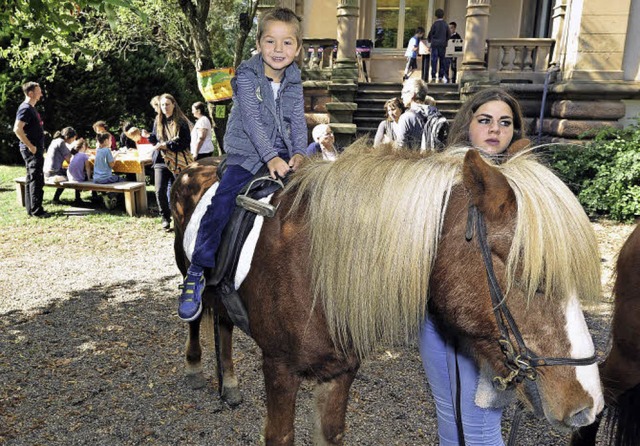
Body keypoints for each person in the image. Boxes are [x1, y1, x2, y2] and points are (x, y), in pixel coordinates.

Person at [177, 7, 307, 322]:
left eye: (287, 43)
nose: (279, 50)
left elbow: (297, 119)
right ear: (259, 43)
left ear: (298, 49)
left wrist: (300, 152)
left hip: (283, 152)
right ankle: (197, 270)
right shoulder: (246, 76)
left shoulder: (294, 77)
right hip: (247, 154)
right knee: (222, 202)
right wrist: (270, 157)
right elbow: (251, 121)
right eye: (271, 42)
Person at [420, 87, 526, 446]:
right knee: (457, 417)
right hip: (446, 322)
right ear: (468, 125)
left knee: (480, 421)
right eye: (485, 120)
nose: (495, 129)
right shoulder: (444, 179)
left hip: (503, 322)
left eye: (505, 122)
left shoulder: (523, 181)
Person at [148, 93, 192, 231]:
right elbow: (155, 138)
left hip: (177, 161)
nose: (165, 107)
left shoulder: (181, 121)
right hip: (161, 160)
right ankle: (165, 218)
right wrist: (150, 138)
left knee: (178, 191)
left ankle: (180, 218)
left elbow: (185, 142)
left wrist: (166, 145)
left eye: (167, 104)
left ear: (173, 104)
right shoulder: (158, 120)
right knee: (159, 190)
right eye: (162, 105)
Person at [13, 81, 49, 218]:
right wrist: (31, 146)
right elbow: (17, 129)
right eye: (38, 91)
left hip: (35, 149)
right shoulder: (25, 108)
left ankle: (32, 209)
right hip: (31, 150)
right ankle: (36, 211)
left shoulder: (31, 108)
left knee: (32, 178)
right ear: (30, 93)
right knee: (36, 179)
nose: (41, 93)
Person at [396, 78, 445, 150]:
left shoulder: (406, 117)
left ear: (412, 94)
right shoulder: (435, 113)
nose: (401, 97)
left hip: (413, 160)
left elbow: (400, 148)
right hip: (433, 159)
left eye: (403, 93)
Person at [43, 126, 79, 203]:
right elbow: (69, 160)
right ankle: (77, 198)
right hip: (54, 172)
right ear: (68, 137)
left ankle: (56, 198)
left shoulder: (55, 140)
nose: (74, 140)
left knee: (71, 172)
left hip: (46, 170)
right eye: (73, 138)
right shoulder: (61, 142)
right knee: (76, 173)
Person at [427, 9, 450, 83]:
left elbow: (430, 34)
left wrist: (430, 40)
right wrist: (445, 40)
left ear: (436, 15)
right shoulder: (445, 24)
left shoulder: (434, 24)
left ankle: (433, 76)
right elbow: (449, 35)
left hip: (435, 44)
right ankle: (441, 76)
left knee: (434, 60)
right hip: (442, 45)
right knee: (442, 60)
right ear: (443, 15)